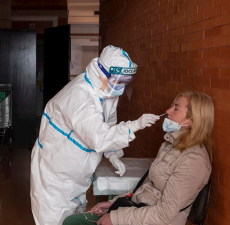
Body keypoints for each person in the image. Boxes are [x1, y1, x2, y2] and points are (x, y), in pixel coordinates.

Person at [30, 45, 160, 225]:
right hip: (55, 175)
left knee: (73, 218)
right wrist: (134, 126)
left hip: (77, 173)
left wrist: (113, 153)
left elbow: (109, 122)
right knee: (54, 220)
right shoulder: (80, 96)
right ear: (102, 72)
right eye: (118, 80)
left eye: (125, 81)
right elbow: (99, 137)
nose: (121, 86)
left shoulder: (107, 88)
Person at [62, 91, 214, 225]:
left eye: (176, 108)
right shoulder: (169, 146)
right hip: (138, 210)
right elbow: (144, 187)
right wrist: (113, 203)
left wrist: (115, 218)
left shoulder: (194, 160)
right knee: (71, 221)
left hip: (154, 220)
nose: (168, 111)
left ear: (192, 121)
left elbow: (164, 215)